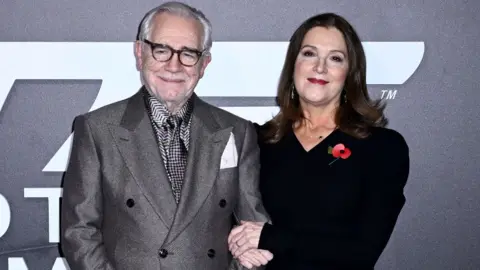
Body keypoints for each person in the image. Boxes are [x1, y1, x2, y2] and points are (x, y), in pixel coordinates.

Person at [60, 2, 272, 269]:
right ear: (140, 53)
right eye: (161, 50)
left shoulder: (238, 132)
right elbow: (79, 234)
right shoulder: (96, 130)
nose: (174, 66)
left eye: (188, 54)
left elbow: (253, 230)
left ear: (204, 63)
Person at [228, 13, 410, 269]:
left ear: (350, 74)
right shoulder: (257, 141)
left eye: (335, 58)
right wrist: (239, 246)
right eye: (309, 54)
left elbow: (363, 251)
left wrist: (270, 238)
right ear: (293, 65)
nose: (320, 67)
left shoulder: (383, 148)